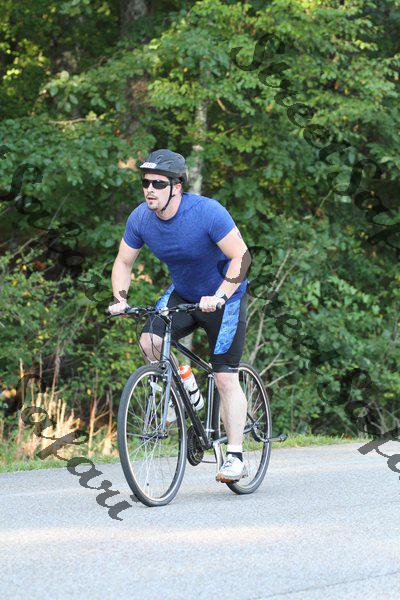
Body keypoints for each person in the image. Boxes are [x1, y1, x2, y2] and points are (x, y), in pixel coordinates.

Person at [109, 149, 251, 482]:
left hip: (224, 298)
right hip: (185, 293)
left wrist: (220, 295)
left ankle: (235, 456)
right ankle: (183, 388)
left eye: (158, 184)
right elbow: (124, 262)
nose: (150, 190)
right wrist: (119, 299)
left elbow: (242, 257)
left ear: (177, 187)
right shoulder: (141, 219)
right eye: (146, 183)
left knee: (225, 376)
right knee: (150, 340)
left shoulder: (206, 213)